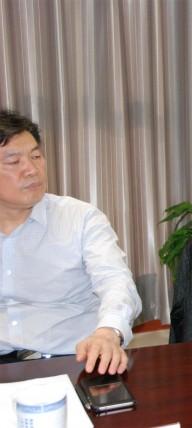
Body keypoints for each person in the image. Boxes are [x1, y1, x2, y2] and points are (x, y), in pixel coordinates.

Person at [0, 109, 141, 374]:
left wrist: (108, 332)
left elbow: (116, 282)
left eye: (36, 156)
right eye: (14, 161)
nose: (31, 170)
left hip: (73, 361)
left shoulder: (80, 218)